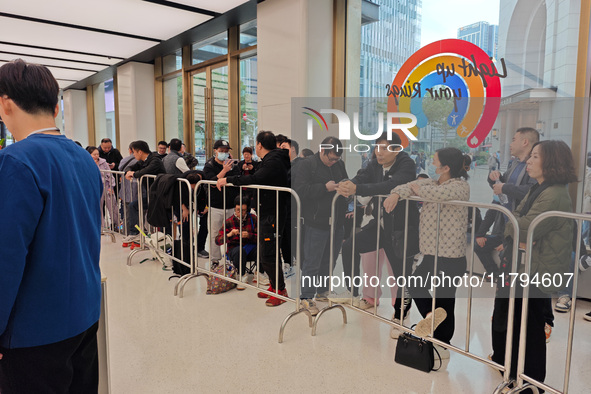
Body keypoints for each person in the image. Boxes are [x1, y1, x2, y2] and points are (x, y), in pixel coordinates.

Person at [0, 59, 102, 393]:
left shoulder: (17, 160)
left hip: (35, 329)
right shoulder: (83, 158)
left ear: (5, 103)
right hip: (84, 314)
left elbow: (6, 256)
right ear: (56, 107)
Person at [491, 140, 576, 390]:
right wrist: (515, 224)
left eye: (535, 157)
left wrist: (514, 225)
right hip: (524, 266)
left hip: (538, 271)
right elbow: (518, 218)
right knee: (514, 322)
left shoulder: (555, 193)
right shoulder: (540, 188)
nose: (528, 161)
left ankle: (532, 382)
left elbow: (524, 226)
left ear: (551, 162)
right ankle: (515, 374)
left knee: (531, 329)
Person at [384, 147, 472, 358]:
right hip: (431, 253)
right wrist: (397, 193)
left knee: (445, 299)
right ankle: (432, 318)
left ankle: (443, 343)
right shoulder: (432, 182)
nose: (432, 163)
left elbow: (438, 195)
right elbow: (405, 186)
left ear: (446, 167)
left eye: (435, 160)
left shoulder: (461, 186)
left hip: (451, 257)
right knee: (414, 284)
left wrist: (415, 188)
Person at [336, 132, 418, 335]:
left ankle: (401, 315)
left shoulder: (407, 164)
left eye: (384, 148)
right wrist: (349, 183)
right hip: (380, 224)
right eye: (377, 147)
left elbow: (392, 185)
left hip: (400, 227)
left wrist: (358, 188)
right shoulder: (374, 164)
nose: (378, 153)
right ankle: (353, 291)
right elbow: (360, 177)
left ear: (397, 150)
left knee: (399, 274)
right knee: (349, 246)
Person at [216, 131, 291, 307]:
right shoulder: (272, 159)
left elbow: (257, 178)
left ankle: (280, 290)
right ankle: (274, 286)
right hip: (268, 211)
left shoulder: (274, 161)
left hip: (272, 213)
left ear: (259, 145)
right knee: (267, 252)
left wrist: (228, 180)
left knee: (269, 253)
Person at [293, 136, 349, 315]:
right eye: (330, 158)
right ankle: (306, 297)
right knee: (312, 261)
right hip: (316, 222)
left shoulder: (338, 165)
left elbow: (345, 179)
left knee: (330, 259)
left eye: (336, 159)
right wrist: (325, 188)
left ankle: (323, 291)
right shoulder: (308, 164)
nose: (333, 162)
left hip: (337, 221)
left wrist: (347, 187)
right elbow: (300, 190)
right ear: (322, 150)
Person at [203, 139, 241, 264]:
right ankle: (215, 260)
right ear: (215, 151)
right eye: (221, 151)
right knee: (215, 233)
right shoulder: (209, 165)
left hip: (231, 206)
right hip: (216, 206)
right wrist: (224, 170)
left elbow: (237, 178)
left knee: (233, 233)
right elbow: (211, 182)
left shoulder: (233, 165)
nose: (224, 153)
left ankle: (232, 258)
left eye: (226, 151)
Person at [124, 140, 166, 243]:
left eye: (134, 152)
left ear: (140, 152)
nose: (133, 155)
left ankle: (164, 242)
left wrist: (132, 174)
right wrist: (128, 172)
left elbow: (144, 171)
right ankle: (135, 233)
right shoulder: (143, 161)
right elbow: (130, 167)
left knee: (160, 221)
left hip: (161, 196)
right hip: (151, 195)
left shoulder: (155, 160)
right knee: (133, 206)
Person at [215, 196, 258, 290]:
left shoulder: (253, 219)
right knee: (239, 251)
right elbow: (217, 241)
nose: (240, 213)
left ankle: (259, 273)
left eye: (243, 210)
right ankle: (242, 276)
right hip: (235, 252)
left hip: (249, 250)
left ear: (247, 210)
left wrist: (249, 235)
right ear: (235, 208)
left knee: (263, 247)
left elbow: (260, 237)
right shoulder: (229, 221)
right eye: (238, 210)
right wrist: (229, 235)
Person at [87, 146, 119, 230]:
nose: (96, 156)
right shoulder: (87, 162)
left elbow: (110, 175)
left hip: (106, 186)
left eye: (97, 154)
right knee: (98, 207)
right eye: (94, 154)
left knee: (113, 206)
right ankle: (101, 226)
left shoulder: (103, 162)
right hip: (95, 188)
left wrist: (111, 186)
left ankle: (117, 224)